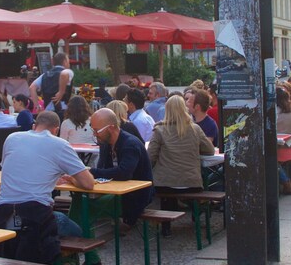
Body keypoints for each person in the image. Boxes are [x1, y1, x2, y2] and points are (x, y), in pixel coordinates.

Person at [0, 111, 95, 265]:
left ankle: (61, 263)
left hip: (2, 214)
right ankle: (76, 262)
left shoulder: (12, 138)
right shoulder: (59, 144)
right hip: (34, 216)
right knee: (79, 230)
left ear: (34, 126)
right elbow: (88, 183)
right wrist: (70, 178)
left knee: (29, 223)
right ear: (56, 130)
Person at [148, 96, 214, 236]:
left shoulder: (160, 130)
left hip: (165, 183)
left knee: (168, 191)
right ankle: (197, 215)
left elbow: (150, 157)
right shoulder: (195, 129)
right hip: (192, 181)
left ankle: (166, 228)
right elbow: (210, 150)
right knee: (181, 186)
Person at [88, 108, 154, 231]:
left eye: (97, 131)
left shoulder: (130, 144)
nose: (94, 134)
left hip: (136, 196)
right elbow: (104, 169)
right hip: (119, 192)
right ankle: (82, 236)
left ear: (111, 128)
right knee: (82, 200)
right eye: (93, 130)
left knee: (86, 204)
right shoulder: (106, 143)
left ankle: (83, 237)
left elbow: (124, 173)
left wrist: (91, 172)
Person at [29, 52, 73, 117]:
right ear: (65, 61)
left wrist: (37, 105)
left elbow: (32, 88)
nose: (69, 64)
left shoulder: (44, 75)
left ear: (53, 62)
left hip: (48, 111)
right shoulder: (67, 72)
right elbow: (64, 75)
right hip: (64, 110)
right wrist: (61, 91)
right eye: (68, 61)